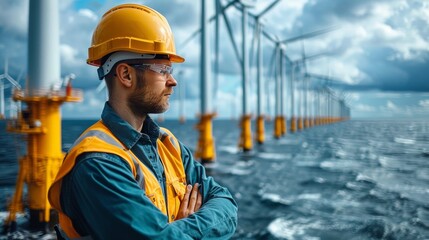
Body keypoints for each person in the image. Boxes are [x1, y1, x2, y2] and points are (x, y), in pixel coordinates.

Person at [48, 3, 238, 240]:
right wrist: (186, 227)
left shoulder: (169, 145)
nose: (173, 81)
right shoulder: (98, 164)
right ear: (126, 75)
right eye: (162, 69)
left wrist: (179, 230)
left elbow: (227, 204)